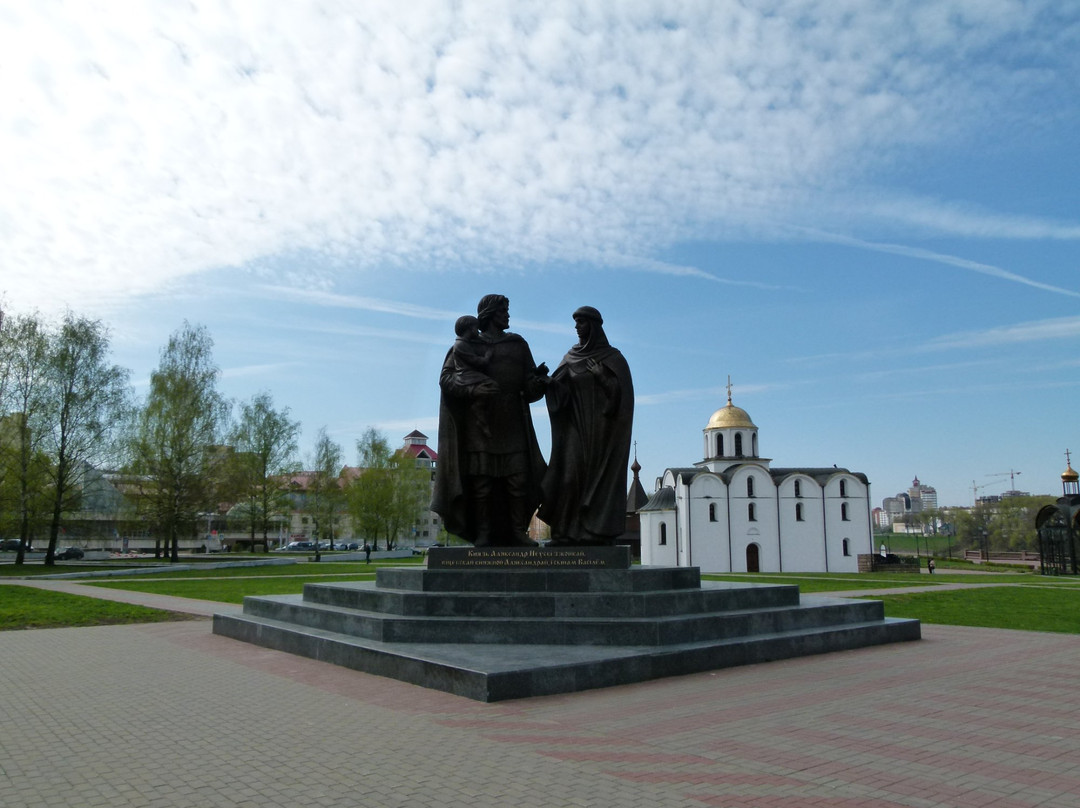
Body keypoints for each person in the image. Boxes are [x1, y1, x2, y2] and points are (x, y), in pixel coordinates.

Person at [432, 294, 549, 547]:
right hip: (479, 423)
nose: (507, 315)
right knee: (481, 481)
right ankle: (483, 534)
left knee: (518, 480)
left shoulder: (518, 344)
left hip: (512, 420)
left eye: (507, 310)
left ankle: (519, 531)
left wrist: (538, 382)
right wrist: (473, 390)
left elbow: (529, 387)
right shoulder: (466, 345)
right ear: (489, 314)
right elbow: (447, 379)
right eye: (503, 310)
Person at [539, 306, 634, 545]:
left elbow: (621, 399)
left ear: (593, 325)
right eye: (576, 322)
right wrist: (546, 382)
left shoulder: (613, 358)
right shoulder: (570, 357)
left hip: (602, 434)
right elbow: (560, 393)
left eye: (581, 322)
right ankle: (565, 532)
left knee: (598, 481)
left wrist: (602, 376)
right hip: (574, 429)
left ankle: (595, 533)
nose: (577, 327)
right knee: (568, 478)